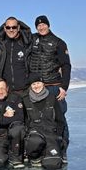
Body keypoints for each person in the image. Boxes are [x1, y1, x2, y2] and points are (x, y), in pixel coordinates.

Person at [30, 15, 71, 162]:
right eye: (38, 25)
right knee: (37, 120)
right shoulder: (32, 39)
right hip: (36, 87)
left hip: (53, 86)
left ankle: (62, 149)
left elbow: (66, 66)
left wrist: (64, 87)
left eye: (43, 25)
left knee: (59, 119)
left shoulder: (59, 43)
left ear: (48, 25)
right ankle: (40, 149)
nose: (41, 27)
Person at [22, 73, 65, 170]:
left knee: (53, 164)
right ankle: (35, 157)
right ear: (30, 86)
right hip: (34, 133)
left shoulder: (52, 98)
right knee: (35, 141)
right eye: (33, 84)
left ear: (43, 84)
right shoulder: (25, 100)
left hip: (50, 133)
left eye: (38, 83)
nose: (36, 86)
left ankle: (47, 152)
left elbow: (60, 120)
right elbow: (23, 121)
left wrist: (58, 136)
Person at [0, 17, 33, 96]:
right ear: (4, 28)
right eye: (8, 27)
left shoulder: (27, 43)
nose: (11, 30)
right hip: (6, 92)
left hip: (25, 91)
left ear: (18, 27)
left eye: (14, 27)